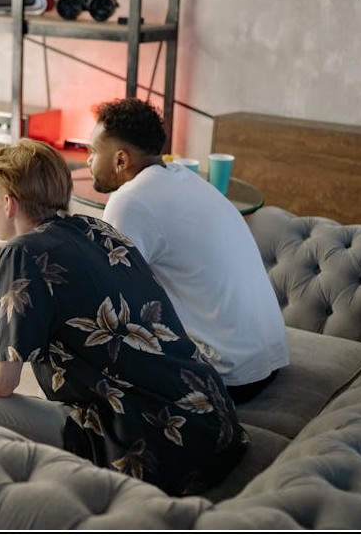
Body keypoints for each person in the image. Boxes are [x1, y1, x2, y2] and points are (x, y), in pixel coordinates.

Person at [0, 138, 248, 496]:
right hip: (215, 427)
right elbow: (88, 331)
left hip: (154, 446)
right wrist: (0, 331)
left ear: (9, 204)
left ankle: (9, 502)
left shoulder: (22, 252)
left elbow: (1, 381)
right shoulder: (99, 230)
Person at [87, 97, 289, 403]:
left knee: (83, 333)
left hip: (226, 374)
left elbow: (109, 297)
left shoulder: (130, 200)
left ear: (121, 160)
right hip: (266, 360)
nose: (88, 160)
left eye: (92, 151)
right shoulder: (186, 178)